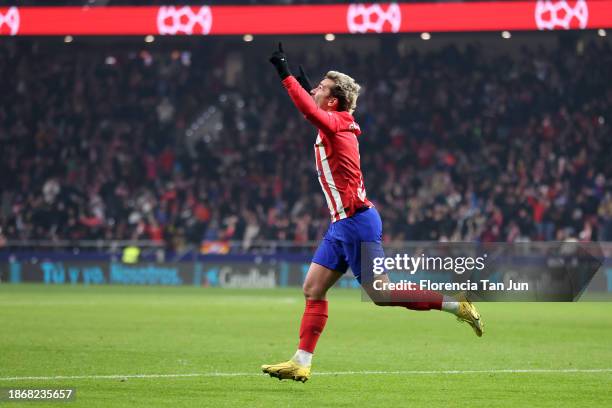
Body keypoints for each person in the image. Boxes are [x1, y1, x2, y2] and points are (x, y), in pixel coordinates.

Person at [262, 43, 483, 383]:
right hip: (342, 224)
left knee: (382, 294)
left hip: (357, 224)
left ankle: (456, 304)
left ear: (333, 102)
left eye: (321, 88)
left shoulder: (335, 123)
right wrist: (306, 84)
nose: (315, 90)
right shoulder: (336, 121)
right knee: (312, 289)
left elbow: (310, 111)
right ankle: (301, 361)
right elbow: (314, 105)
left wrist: (285, 75)